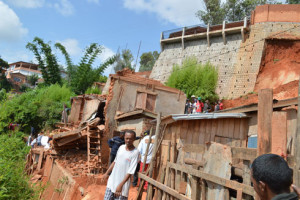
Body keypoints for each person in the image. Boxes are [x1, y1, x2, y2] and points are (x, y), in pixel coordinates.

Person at [101, 130, 140, 200]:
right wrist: (106, 173)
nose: (128, 140)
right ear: (124, 138)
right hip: (111, 183)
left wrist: (120, 185)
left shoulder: (135, 152)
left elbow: (130, 172)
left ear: (134, 139)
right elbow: (114, 162)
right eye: (126, 138)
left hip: (122, 187)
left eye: (130, 139)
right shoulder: (121, 147)